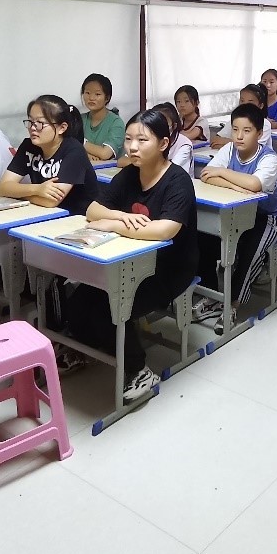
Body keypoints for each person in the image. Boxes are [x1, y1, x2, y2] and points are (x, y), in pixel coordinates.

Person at [66, 109, 198, 399]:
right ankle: (91, 349)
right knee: (76, 305)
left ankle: (139, 370)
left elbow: (165, 230)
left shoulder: (177, 181)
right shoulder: (129, 174)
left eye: (142, 140)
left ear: (163, 143)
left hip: (169, 268)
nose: (132, 147)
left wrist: (114, 225)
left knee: (107, 310)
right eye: (128, 139)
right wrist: (120, 216)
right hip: (129, 259)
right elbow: (93, 210)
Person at [194, 103, 277, 327]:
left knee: (250, 249)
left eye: (246, 131)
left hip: (270, 217)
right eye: (235, 129)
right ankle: (211, 296)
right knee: (203, 239)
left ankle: (232, 305)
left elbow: (254, 184)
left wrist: (222, 172)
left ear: (259, 133)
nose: (239, 136)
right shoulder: (229, 150)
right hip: (236, 214)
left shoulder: (268, 158)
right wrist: (236, 186)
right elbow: (206, 175)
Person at [0, 94, 100, 215]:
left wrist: (18, 194)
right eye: (30, 121)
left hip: (78, 216)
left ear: (62, 128)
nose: (33, 128)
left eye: (40, 123)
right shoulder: (28, 146)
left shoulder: (74, 151)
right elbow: (3, 187)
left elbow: (51, 201)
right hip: (43, 212)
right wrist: (37, 189)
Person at [211, 83, 273, 150]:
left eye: (250, 102)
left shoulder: (265, 124)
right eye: (242, 101)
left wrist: (226, 142)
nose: (245, 105)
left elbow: (251, 149)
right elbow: (215, 142)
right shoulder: (236, 120)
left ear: (260, 106)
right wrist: (234, 145)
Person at [80, 73, 125, 161]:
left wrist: (80, 141)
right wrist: (85, 154)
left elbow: (105, 154)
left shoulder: (116, 122)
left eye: (97, 94)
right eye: (87, 93)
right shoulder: (80, 119)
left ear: (107, 98)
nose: (91, 98)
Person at [149, 101, 194, 176]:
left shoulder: (184, 144)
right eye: (155, 123)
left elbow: (170, 171)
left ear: (174, 126)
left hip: (177, 181)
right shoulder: (149, 140)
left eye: (164, 123)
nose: (159, 127)